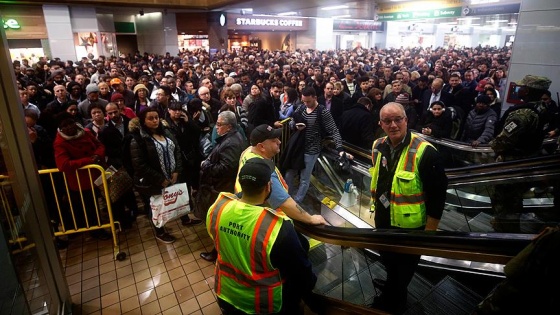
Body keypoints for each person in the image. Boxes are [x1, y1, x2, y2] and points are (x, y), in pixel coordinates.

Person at [207, 158, 318, 314]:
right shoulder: (277, 227)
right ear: (268, 186)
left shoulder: (217, 208)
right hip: (262, 304)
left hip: (226, 293)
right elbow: (300, 269)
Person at [369, 102, 448, 313]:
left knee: (402, 272)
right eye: (387, 121)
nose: (393, 125)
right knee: (389, 262)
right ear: (381, 123)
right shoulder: (378, 145)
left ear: (406, 120)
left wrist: (429, 234)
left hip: (411, 228)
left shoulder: (426, 152)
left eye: (398, 119)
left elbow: (438, 195)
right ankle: (392, 291)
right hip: (384, 219)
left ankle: (392, 305)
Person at [489, 75, 552, 233]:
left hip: (512, 164)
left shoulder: (523, 114)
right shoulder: (542, 107)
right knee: (514, 201)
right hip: (527, 161)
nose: (519, 89)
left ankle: (505, 235)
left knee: (505, 203)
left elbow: (503, 140)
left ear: (528, 90)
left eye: (522, 87)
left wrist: (492, 147)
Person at [283, 87, 352, 204]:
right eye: (304, 101)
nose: (306, 104)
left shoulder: (323, 112)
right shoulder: (302, 107)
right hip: (299, 147)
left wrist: (340, 148)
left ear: (315, 98)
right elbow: (291, 121)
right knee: (290, 173)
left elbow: (334, 130)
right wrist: (295, 126)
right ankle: (286, 198)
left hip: (312, 149)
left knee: (305, 178)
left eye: (308, 101)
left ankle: (297, 202)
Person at [128, 108, 183, 243]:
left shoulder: (166, 132)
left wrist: (176, 170)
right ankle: (160, 232)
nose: (155, 121)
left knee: (170, 202)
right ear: (143, 121)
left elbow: (177, 151)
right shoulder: (138, 139)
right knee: (155, 207)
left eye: (156, 117)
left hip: (170, 176)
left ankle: (183, 219)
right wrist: (160, 179)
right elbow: (139, 165)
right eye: (150, 118)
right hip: (152, 181)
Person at [53, 112, 111, 240]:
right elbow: (63, 165)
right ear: (60, 128)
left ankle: (114, 222)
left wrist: (97, 155)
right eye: (65, 126)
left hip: (97, 173)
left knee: (106, 199)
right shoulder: (60, 142)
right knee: (90, 207)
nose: (69, 127)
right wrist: (89, 160)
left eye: (70, 123)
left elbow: (100, 145)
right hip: (81, 180)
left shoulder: (85, 131)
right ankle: (96, 231)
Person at [198, 111, 247, 261]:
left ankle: (218, 253)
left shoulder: (231, 142)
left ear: (229, 126)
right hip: (221, 186)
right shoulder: (231, 137)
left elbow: (226, 168)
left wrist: (206, 165)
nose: (216, 128)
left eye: (219, 125)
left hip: (221, 188)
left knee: (218, 223)